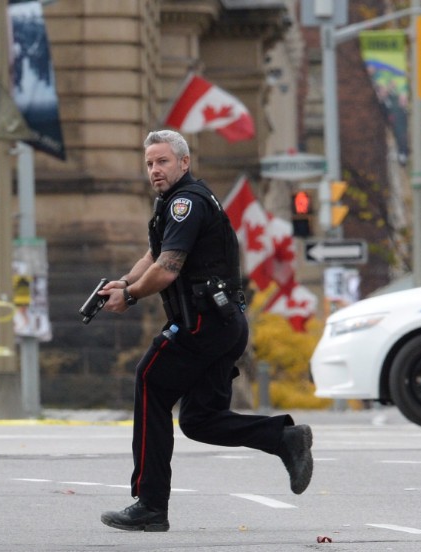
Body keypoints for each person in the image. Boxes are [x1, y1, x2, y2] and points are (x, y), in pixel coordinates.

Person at [97, 129, 313, 532]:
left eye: (162, 161)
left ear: (184, 162)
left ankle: (150, 505)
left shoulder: (185, 204)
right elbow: (153, 255)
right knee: (200, 419)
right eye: (149, 164)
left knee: (150, 381)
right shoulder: (173, 204)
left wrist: (131, 296)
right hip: (221, 325)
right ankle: (284, 438)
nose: (155, 170)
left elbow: (166, 268)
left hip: (201, 325)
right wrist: (123, 283)